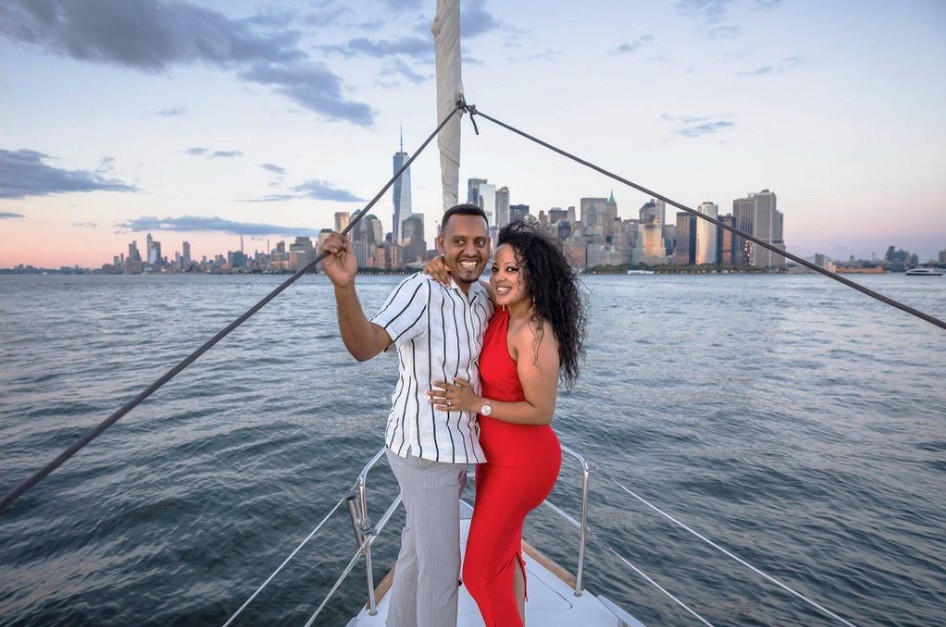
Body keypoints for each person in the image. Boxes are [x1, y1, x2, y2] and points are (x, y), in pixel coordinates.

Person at [319, 204, 494, 627]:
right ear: (441, 245)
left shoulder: (486, 296)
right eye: (458, 242)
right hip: (423, 452)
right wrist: (345, 288)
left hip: (454, 449)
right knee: (440, 574)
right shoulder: (421, 290)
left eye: (479, 242)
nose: (470, 251)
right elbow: (365, 346)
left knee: (416, 557)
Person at [426, 220, 587, 626]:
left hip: (523, 463)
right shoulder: (500, 309)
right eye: (497, 268)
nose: (499, 277)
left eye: (512, 269)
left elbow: (541, 411)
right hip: (495, 458)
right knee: (505, 552)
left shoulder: (533, 332)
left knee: (478, 573)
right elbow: (467, 277)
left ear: (535, 275)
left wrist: (478, 404)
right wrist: (439, 265)